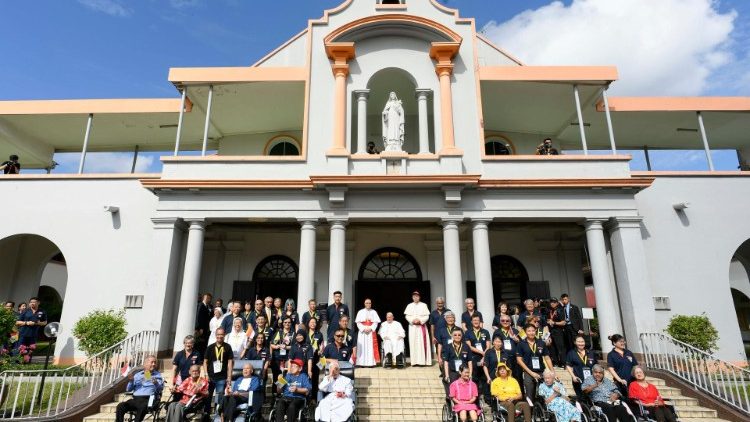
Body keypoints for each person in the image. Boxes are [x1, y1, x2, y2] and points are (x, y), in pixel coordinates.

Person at [116, 355, 164, 422]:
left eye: (155, 362)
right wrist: (131, 381)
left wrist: (156, 383)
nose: (154, 364)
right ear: (145, 364)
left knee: (142, 406)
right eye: (152, 362)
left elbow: (160, 389)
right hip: (136, 399)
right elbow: (128, 389)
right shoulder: (138, 375)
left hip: (149, 399)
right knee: (120, 406)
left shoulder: (157, 375)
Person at [515, 324, 553, 400]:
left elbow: (547, 357)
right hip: (528, 372)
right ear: (525, 332)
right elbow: (519, 360)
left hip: (541, 371)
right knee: (530, 395)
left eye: (533, 330)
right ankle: (531, 410)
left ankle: (542, 410)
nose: (531, 332)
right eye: (529, 331)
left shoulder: (541, 342)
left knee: (543, 394)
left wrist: (552, 371)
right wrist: (531, 373)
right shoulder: (521, 344)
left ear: (536, 331)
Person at [204, 328, 234, 414]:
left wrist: (229, 376)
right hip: (210, 376)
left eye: (221, 334)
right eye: (218, 334)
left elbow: (230, 362)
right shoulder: (210, 347)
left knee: (220, 396)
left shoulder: (227, 347)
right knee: (208, 396)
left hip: (222, 377)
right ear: (215, 335)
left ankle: (218, 414)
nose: (220, 336)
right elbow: (205, 362)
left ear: (224, 335)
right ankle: (207, 414)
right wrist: (206, 374)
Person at [465, 315, 490, 399]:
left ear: (480, 322)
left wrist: (484, 355)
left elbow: (488, 346)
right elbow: (469, 346)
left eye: (478, 320)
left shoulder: (485, 332)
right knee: (474, 377)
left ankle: (487, 398)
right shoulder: (468, 332)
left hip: (484, 358)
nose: (476, 322)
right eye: (474, 320)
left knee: (484, 377)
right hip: (474, 357)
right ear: (471, 322)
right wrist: (481, 352)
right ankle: (476, 398)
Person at [564, 335, 596, 399]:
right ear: (575, 342)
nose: (581, 343)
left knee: (593, 399)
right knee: (582, 399)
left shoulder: (590, 353)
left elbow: (596, 366)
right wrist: (573, 376)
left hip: (591, 381)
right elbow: (568, 366)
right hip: (579, 380)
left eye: (582, 341)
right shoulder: (571, 353)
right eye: (579, 342)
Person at [404, 290, 431, 366]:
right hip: (413, 327)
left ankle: (422, 361)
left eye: (417, 296)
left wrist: (420, 320)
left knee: (422, 343)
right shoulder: (409, 305)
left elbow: (427, 316)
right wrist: (413, 320)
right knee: (413, 343)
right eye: (414, 296)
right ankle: (415, 361)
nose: (415, 298)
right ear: (412, 297)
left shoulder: (424, 305)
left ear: (419, 297)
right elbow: (407, 316)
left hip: (421, 327)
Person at [17, 297, 46, 362]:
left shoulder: (42, 311)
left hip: (33, 335)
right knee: (21, 349)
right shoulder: (25, 311)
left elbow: (45, 322)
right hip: (23, 334)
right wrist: (27, 323)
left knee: (31, 350)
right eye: (31, 302)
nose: (32, 303)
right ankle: (19, 363)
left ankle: (27, 364)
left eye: (34, 302)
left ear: (38, 303)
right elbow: (17, 322)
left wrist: (39, 323)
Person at [354, 298, 381, 367]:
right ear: (364, 304)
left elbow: (376, 322)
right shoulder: (360, 312)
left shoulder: (374, 312)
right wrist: (363, 329)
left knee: (370, 348)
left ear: (371, 304)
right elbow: (358, 323)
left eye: (369, 303)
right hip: (362, 332)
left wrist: (371, 328)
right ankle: (361, 363)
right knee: (362, 347)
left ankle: (371, 363)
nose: (368, 304)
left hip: (371, 332)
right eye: (367, 303)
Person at [271, 317, 295, 387]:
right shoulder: (279, 332)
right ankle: (276, 393)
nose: (287, 324)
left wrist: (286, 347)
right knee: (277, 375)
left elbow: (295, 347)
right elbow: (272, 344)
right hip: (277, 357)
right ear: (283, 323)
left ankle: (284, 392)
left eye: (289, 322)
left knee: (286, 375)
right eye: (285, 322)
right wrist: (277, 346)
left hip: (288, 358)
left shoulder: (293, 333)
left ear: (291, 324)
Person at [306, 317, 326, 399]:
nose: (313, 324)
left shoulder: (319, 334)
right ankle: (306, 396)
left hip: (316, 357)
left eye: (314, 322)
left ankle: (314, 398)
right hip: (306, 358)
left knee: (315, 378)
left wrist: (320, 350)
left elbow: (321, 345)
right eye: (311, 322)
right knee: (306, 377)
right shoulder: (305, 333)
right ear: (308, 323)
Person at [546, 298, 566, 367]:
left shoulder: (560, 310)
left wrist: (554, 322)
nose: (552, 303)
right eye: (551, 302)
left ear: (557, 303)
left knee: (560, 347)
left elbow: (563, 322)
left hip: (558, 331)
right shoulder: (550, 311)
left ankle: (564, 363)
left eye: (554, 302)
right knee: (552, 348)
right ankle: (556, 362)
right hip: (551, 332)